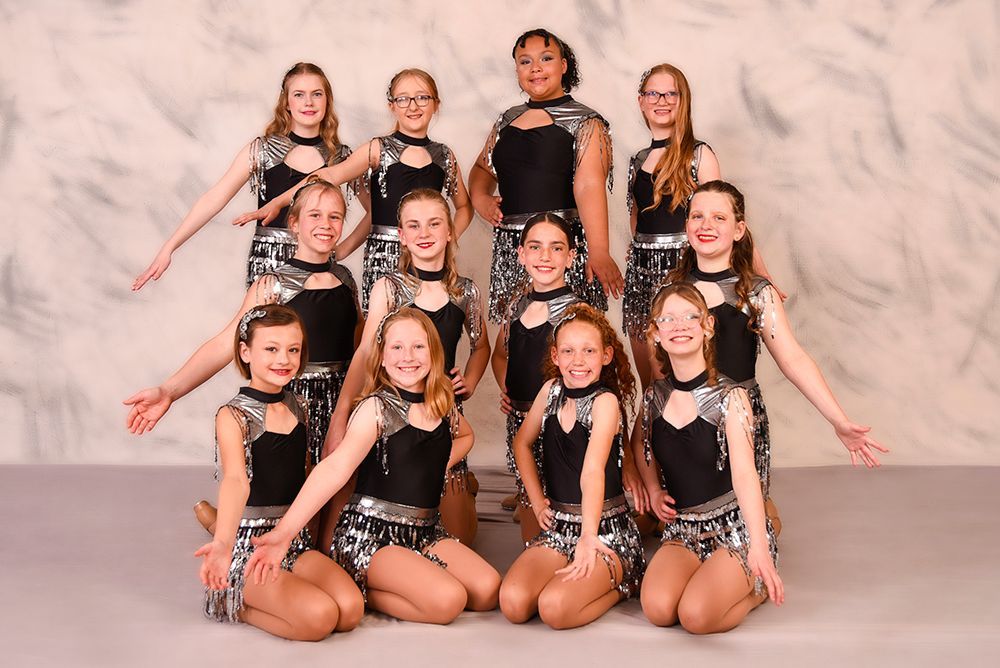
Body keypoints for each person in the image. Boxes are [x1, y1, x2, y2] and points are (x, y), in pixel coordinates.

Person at [124, 178, 362, 527]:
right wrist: (169, 391)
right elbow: (225, 343)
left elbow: (359, 345)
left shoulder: (345, 279)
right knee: (292, 498)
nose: (325, 225)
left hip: (340, 400)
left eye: (335, 217)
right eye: (314, 215)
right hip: (293, 403)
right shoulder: (273, 284)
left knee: (338, 499)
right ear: (293, 224)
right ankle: (236, 527)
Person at [245, 308, 501, 624]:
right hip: (371, 534)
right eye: (396, 347)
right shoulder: (376, 408)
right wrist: (284, 534)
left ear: (434, 354)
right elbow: (334, 469)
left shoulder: (441, 402)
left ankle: (406, 577)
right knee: (448, 601)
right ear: (380, 356)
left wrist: (433, 466)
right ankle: (359, 581)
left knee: (488, 590)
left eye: (418, 346)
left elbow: (466, 435)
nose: (408, 356)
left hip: (424, 531)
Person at [666, 180, 888, 528]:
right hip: (682, 420)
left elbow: (793, 359)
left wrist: (838, 420)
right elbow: (658, 372)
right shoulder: (670, 291)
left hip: (735, 421)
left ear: (739, 230)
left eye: (718, 218)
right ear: (687, 225)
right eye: (697, 216)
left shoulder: (754, 293)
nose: (706, 225)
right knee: (685, 518)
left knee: (740, 523)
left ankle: (761, 516)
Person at [324, 188, 488, 545]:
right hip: (392, 415)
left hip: (437, 415)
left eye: (434, 224)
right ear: (401, 235)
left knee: (461, 539)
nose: (424, 234)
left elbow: (481, 347)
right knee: (334, 518)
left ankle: (464, 488)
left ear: (450, 231)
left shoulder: (466, 292)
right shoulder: (388, 287)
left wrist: (470, 381)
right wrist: (341, 419)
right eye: (413, 226)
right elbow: (366, 352)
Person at [234, 68, 472, 312]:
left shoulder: (444, 156)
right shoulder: (377, 149)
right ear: (392, 106)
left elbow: (464, 207)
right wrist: (279, 202)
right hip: (384, 257)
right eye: (403, 99)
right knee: (382, 329)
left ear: (436, 103)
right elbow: (327, 176)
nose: (413, 106)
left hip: (427, 258)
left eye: (422, 97)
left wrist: (446, 238)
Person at [197, 303, 363, 640]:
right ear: (245, 352)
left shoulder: (299, 406)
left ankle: (282, 590)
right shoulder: (233, 416)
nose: (283, 360)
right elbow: (235, 481)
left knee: (350, 610)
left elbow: (308, 477)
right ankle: (231, 594)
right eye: (271, 349)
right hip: (250, 544)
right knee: (320, 618)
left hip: (292, 540)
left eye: (293, 350)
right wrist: (224, 542)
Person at [632, 282, 783, 634]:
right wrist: (653, 490)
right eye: (667, 319)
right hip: (684, 527)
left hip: (734, 528)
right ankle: (713, 575)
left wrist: (758, 546)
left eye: (690, 316)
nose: (679, 325)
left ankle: (753, 586)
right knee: (657, 609)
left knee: (696, 617)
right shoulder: (654, 396)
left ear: (707, 327)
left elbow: (746, 476)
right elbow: (640, 447)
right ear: (655, 333)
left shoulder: (730, 397)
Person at [132, 62, 365, 290]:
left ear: (327, 101)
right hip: (269, 266)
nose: (308, 102)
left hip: (319, 265)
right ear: (286, 103)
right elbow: (215, 198)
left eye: (316, 94)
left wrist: (342, 249)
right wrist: (169, 247)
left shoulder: (341, 158)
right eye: (299, 95)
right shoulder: (262, 150)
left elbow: (377, 210)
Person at [498, 304, 643, 629]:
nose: (578, 361)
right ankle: (584, 576)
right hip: (559, 528)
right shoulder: (550, 391)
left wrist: (588, 537)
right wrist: (536, 501)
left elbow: (592, 471)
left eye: (588, 351)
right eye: (568, 351)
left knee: (555, 609)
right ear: (555, 356)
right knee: (513, 603)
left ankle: (626, 579)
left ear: (605, 356)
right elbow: (521, 443)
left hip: (604, 530)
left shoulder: (606, 403)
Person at [468, 28, 621, 322]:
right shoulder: (507, 120)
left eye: (546, 58)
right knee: (514, 336)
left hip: (561, 244)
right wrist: (480, 197)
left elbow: (589, 185)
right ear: (516, 70)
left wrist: (600, 249)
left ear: (563, 66)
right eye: (525, 61)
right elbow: (482, 169)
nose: (535, 68)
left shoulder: (585, 121)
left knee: (567, 330)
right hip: (514, 249)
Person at [623, 64, 720, 388]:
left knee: (676, 379)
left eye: (670, 93)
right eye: (653, 93)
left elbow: (723, 219)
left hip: (681, 272)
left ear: (684, 100)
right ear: (641, 101)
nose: (661, 100)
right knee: (650, 384)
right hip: (640, 277)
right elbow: (636, 214)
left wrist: (760, 274)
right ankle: (648, 440)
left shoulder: (698, 155)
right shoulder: (636, 160)